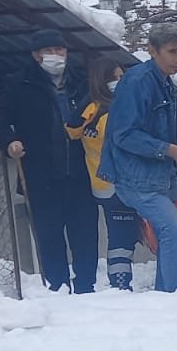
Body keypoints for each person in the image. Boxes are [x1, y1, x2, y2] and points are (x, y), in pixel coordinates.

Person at [0, 28, 98, 294]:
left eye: (60, 50)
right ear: (36, 55)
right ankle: (57, 286)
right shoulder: (20, 83)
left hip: (80, 171)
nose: (56, 55)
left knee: (84, 232)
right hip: (41, 173)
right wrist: (9, 142)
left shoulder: (81, 82)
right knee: (49, 235)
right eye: (49, 51)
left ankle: (86, 286)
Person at [97, 23, 177, 293]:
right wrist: (170, 150)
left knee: (171, 232)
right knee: (174, 227)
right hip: (135, 177)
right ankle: (175, 295)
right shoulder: (138, 82)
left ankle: (167, 295)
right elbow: (123, 135)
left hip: (158, 175)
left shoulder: (163, 81)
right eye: (172, 52)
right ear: (152, 51)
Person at [67, 57, 139, 291]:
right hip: (118, 183)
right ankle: (121, 286)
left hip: (103, 183)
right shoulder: (110, 111)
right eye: (113, 78)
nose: (118, 82)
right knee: (122, 239)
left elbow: (72, 128)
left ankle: (121, 285)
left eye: (121, 78)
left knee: (121, 236)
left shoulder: (90, 109)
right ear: (101, 81)